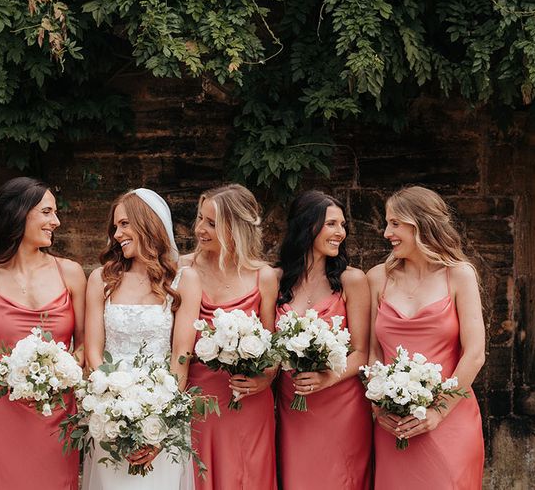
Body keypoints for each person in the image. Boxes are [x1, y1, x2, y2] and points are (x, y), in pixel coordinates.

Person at [0, 177, 86, 490]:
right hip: (3, 412)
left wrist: (56, 375)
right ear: (20, 213)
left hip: (57, 412)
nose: (55, 222)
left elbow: (85, 346)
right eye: (47, 212)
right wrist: (8, 374)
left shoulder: (70, 272)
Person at [82, 188, 202, 490]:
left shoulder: (184, 280)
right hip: (110, 413)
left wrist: (159, 424)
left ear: (146, 223)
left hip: (161, 410)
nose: (116, 233)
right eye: (115, 226)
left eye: (124, 224)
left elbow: (181, 357)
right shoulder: (101, 278)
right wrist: (112, 407)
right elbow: (94, 353)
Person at [367, 186, 485, 489]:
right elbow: (373, 354)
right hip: (395, 424)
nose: (385, 232)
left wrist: (438, 412)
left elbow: (474, 354)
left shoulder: (459, 274)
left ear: (420, 224)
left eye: (394, 223)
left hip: (450, 420)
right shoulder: (377, 277)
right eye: (387, 223)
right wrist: (379, 410)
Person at [182, 184, 278, 490]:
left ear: (235, 227)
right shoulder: (183, 268)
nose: (200, 229)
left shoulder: (262, 275)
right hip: (200, 400)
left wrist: (266, 378)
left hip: (248, 400)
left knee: (247, 476)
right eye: (199, 219)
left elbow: (273, 344)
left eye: (211, 223)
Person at [274, 190, 372, 489]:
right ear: (307, 226)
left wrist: (326, 377)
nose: (340, 233)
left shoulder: (351, 281)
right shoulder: (277, 280)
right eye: (331, 224)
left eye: (343, 225)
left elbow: (362, 352)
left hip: (341, 404)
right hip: (294, 406)